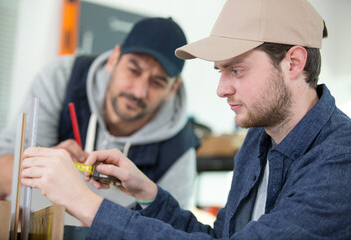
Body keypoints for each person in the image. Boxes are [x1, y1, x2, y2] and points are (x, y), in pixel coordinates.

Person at [20, 0, 351, 239]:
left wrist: (86, 204)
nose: (222, 89)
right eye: (221, 72)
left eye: (237, 69)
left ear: (293, 63)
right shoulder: (258, 141)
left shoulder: (341, 160)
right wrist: (149, 194)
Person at [0, 17, 200, 211]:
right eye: (133, 70)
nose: (139, 92)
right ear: (113, 59)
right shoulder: (61, 79)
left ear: (173, 90)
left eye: (157, 82)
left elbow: (170, 230)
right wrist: (44, 165)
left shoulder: (179, 152)